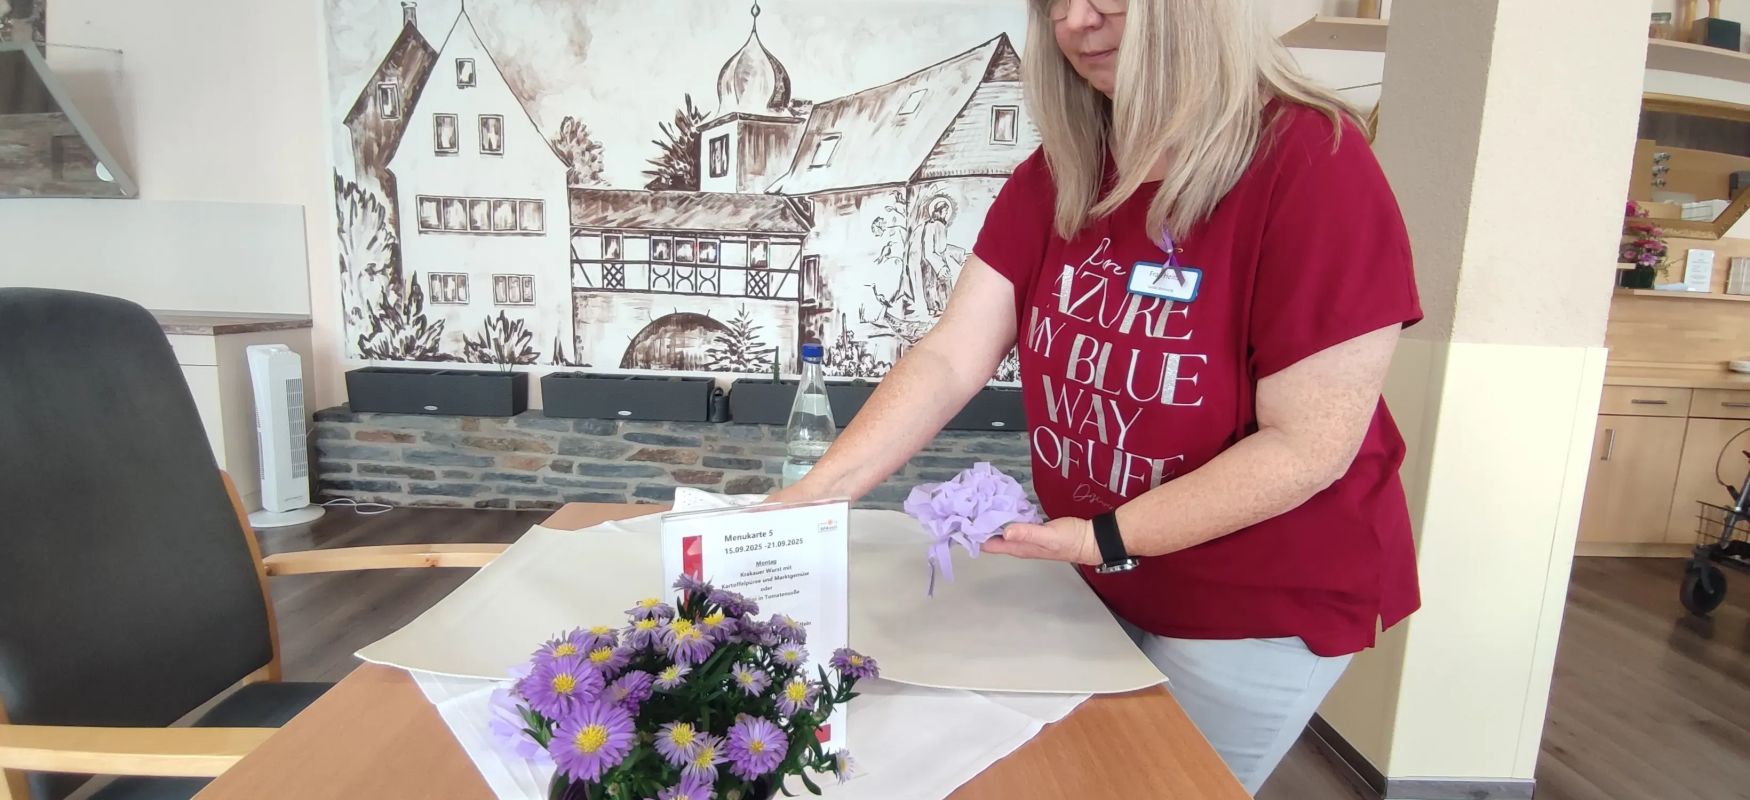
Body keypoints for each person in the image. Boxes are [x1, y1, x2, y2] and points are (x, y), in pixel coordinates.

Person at [768, 0, 1421, 793]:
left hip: (1254, 603)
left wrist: (1103, 539)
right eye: (1053, 2)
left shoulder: (1313, 163)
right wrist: (813, 494)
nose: (1075, 21)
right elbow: (949, 356)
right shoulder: (1067, 168)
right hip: (1095, 572)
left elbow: (1309, 444)